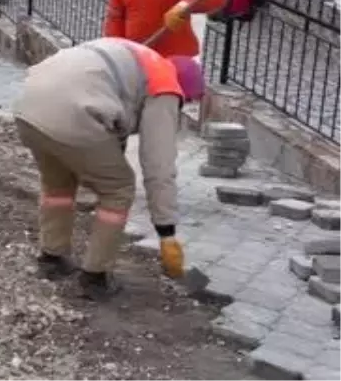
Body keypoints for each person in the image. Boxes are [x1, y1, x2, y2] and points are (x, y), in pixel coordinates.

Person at [12, 37, 203, 301]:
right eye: (186, 102)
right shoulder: (166, 85)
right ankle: (95, 277)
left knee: (58, 184)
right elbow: (158, 165)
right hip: (73, 113)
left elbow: (113, 121)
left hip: (29, 103)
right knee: (119, 188)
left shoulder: (140, 58)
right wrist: (166, 231)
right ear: (184, 90)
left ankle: (51, 258)